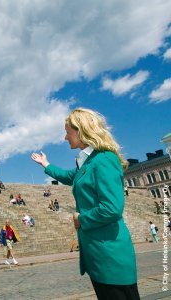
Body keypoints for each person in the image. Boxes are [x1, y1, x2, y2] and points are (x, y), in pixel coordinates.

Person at [31, 107, 139, 299]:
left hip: (110, 255)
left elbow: (112, 209)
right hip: (98, 254)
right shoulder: (87, 162)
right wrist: (45, 164)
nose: (65, 138)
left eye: (67, 132)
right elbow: (68, 176)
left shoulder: (104, 159)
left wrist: (81, 218)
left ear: (80, 131)